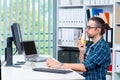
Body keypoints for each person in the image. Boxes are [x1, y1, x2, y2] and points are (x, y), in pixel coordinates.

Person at [46, 17, 111, 80]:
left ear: (98, 30)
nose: (86, 30)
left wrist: (59, 65)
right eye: (87, 27)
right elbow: (82, 63)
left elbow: (84, 67)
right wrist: (82, 52)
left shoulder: (102, 47)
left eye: (89, 28)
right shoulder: (90, 44)